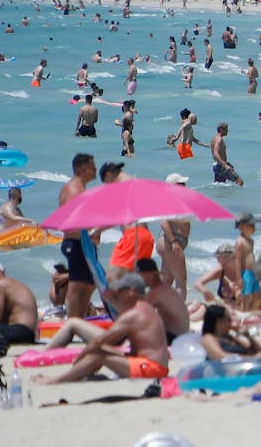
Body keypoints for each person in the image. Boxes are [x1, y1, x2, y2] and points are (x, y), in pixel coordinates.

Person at [35, 276, 171, 383]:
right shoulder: (146, 309)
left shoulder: (133, 315)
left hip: (150, 369)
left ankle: (56, 381)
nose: (119, 295)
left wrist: (81, 358)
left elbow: (100, 340)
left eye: (121, 291)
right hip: (152, 365)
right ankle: (81, 374)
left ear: (131, 292)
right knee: (100, 351)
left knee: (97, 355)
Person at [59, 153, 99, 318]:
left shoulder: (81, 189)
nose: (96, 169)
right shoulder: (73, 190)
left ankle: (79, 320)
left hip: (83, 244)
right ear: (83, 168)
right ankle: (73, 322)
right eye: (92, 166)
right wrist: (92, 233)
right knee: (78, 286)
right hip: (76, 243)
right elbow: (71, 223)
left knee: (89, 284)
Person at [135, 259, 191, 338]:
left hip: (174, 336)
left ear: (150, 275)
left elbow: (136, 313)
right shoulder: (165, 288)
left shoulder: (156, 293)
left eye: (139, 275)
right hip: (182, 332)